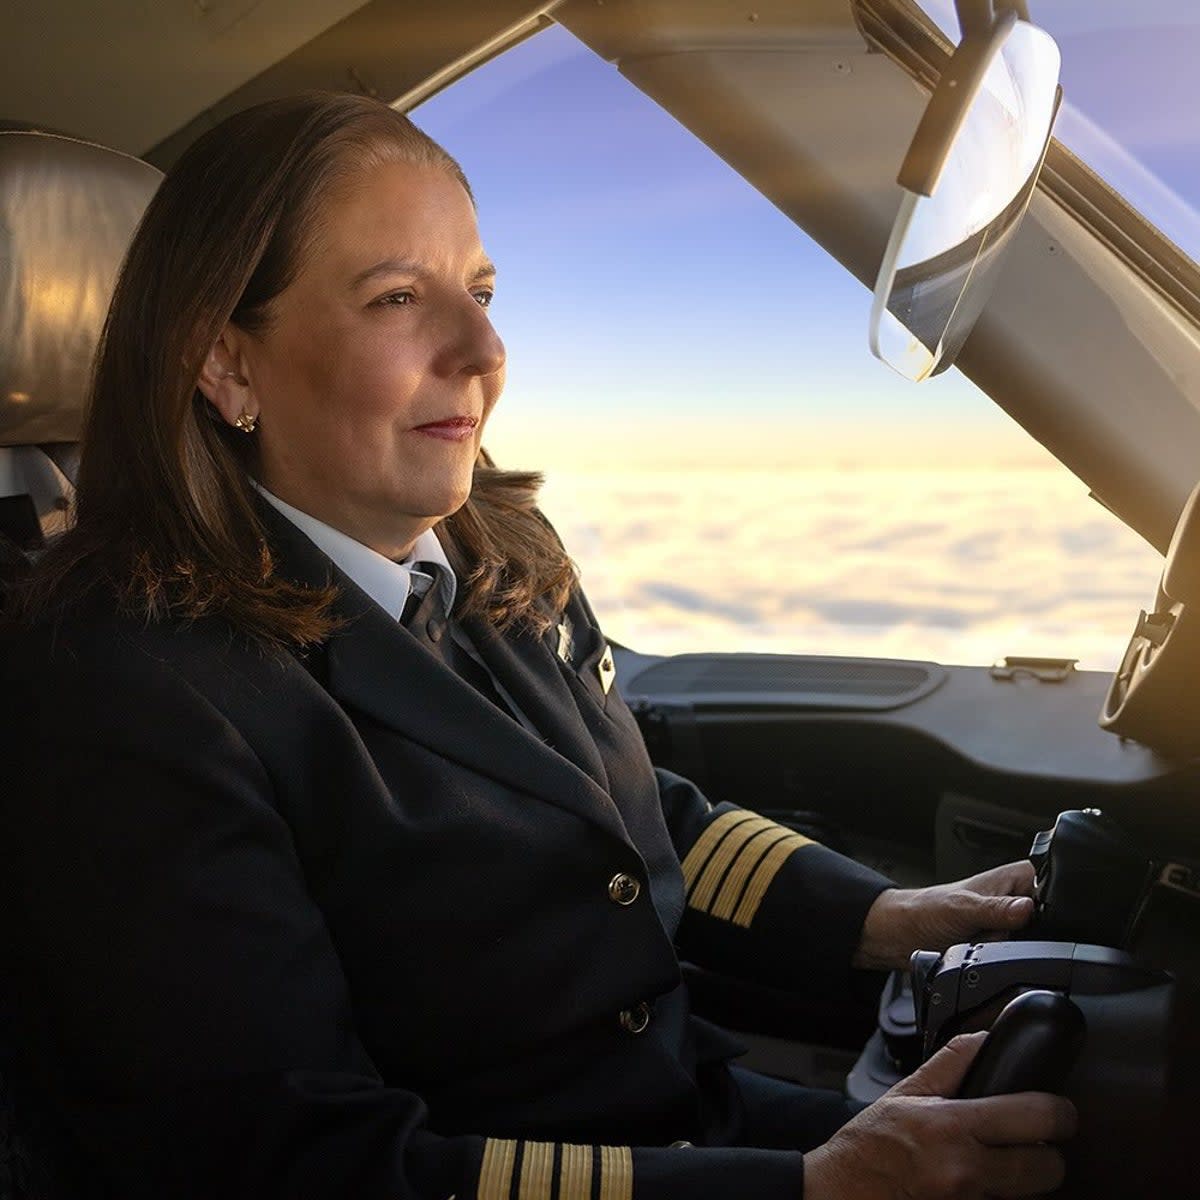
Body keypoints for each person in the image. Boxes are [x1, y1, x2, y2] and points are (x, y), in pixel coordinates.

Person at [0, 91, 1075, 1199]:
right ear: (228, 365)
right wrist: (809, 1189)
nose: (482, 350)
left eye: (480, 291)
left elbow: (617, 813)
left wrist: (884, 921)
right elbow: (292, 1165)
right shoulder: (121, 694)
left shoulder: (494, 543)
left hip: (681, 1119)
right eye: (398, 298)